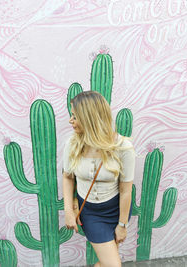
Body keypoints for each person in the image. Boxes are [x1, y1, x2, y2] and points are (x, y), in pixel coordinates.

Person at [62, 91, 135, 267]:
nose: (70, 121)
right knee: (113, 265)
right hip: (91, 213)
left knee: (107, 262)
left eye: (75, 116)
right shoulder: (73, 144)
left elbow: (126, 191)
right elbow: (67, 177)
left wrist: (122, 225)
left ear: (89, 118)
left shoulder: (123, 147)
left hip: (117, 210)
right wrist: (68, 211)